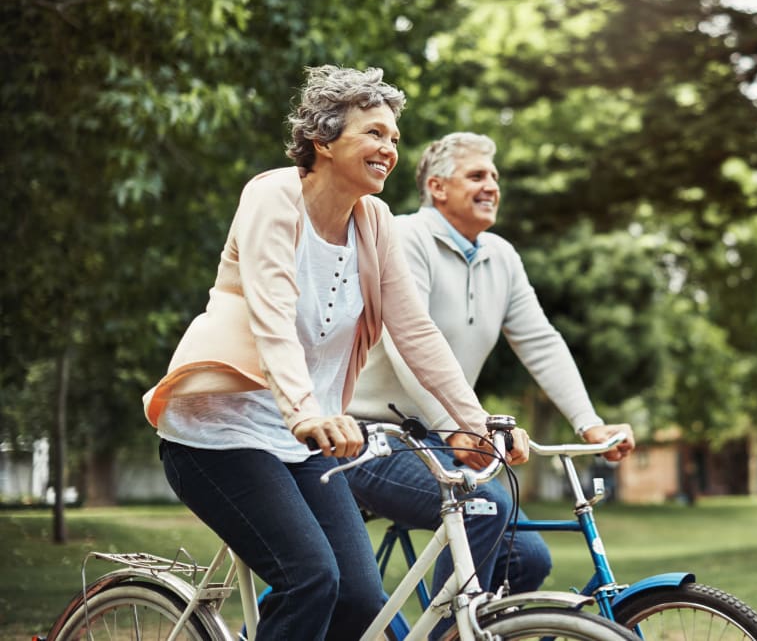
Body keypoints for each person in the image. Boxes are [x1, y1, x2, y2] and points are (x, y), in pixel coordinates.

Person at [141, 70, 528, 641]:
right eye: (374, 133)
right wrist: (304, 410)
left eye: (394, 138)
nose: (389, 149)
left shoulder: (375, 223)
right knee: (310, 579)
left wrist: (476, 423)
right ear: (323, 141)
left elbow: (416, 332)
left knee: (361, 599)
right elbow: (271, 312)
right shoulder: (271, 197)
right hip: (220, 432)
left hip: (307, 441)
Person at [345, 132, 636, 636]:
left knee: (526, 557)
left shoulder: (500, 256)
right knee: (486, 506)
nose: (491, 186)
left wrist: (589, 423)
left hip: (440, 438)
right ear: (437, 187)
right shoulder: (405, 237)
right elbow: (406, 340)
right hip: (367, 436)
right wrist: (455, 425)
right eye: (477, 176)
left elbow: (541, 342)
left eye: (494, 177)